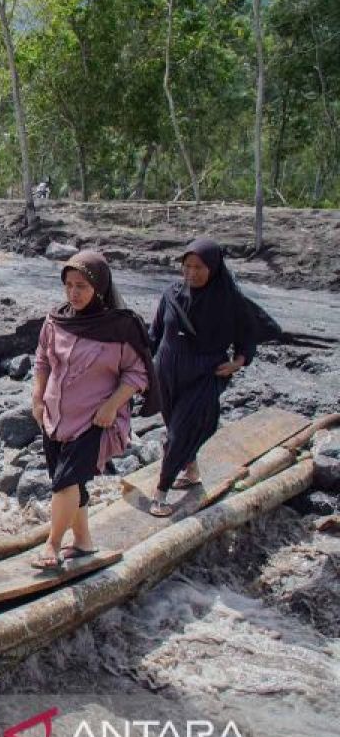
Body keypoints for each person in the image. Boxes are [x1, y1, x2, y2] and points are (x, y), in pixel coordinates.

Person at [30, 250, 158, 569]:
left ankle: (52, 545)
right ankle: (84, 542)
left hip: (93, 420)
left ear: (99, 288)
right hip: (54, 417)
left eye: (82, 286)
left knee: (64, 482)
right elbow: (42, 359)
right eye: (68, 285)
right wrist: (37, 398)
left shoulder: (120, 328)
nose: (73, 293)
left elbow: (138, 373)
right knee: (71, 483)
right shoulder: (56, 320)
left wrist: (112, 406)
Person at [148, 238, 278, 517]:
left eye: (199, 267)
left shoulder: (229, 301)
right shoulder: (171, 294)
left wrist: (238, 363)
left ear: (214, 267)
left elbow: (248, 334)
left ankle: (161, 492)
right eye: (187, 266)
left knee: (178, 433)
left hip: (205, 373)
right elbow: (155, 334)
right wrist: (140, 367)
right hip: (167, 373)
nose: (191, 273)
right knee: (175, 424)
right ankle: (192, 471)